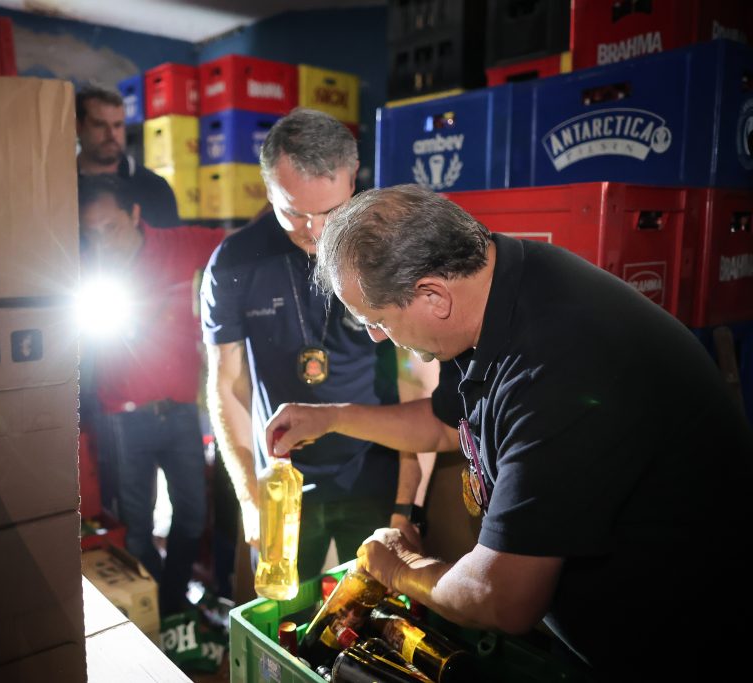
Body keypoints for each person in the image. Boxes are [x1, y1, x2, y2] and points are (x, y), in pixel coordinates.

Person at [266, 184, 753, 679]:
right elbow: (448, 424)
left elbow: (501, 598)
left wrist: (399, 568)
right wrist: (331, 417)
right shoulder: (491, 283)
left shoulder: (558, 367)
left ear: (432, 295)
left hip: (681, 647)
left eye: (377, 320)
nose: (375, 336)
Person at [201, 108, 427, 584]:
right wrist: (248, 498)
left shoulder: (385, 249)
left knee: (375, 615)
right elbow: (227, 386)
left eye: (330, 211)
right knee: (282, 614)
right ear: (268, 190)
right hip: (282, 481)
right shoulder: (234, 262)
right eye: (294, 213)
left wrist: (407, 503)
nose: (316, 230)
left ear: (353, 178)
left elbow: (415, 383)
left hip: (375, 472)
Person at [77, 173, 224, 615]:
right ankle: (158, 608)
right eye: (91, 232)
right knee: (136, 528)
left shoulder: (176, 244)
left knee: (192, 515)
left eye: (110, 227)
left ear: (134, 214)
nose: (102, 241)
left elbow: (236, 242)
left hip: (179, 410)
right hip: (123, 417)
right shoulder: (86, 269)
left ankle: (173, 605)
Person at [76, 84, 179, 228]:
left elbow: (171, 241)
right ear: (78, 127)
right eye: (99, 125)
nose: (111, 134)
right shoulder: (59, 184)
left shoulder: (156, 188)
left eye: (118, 125)